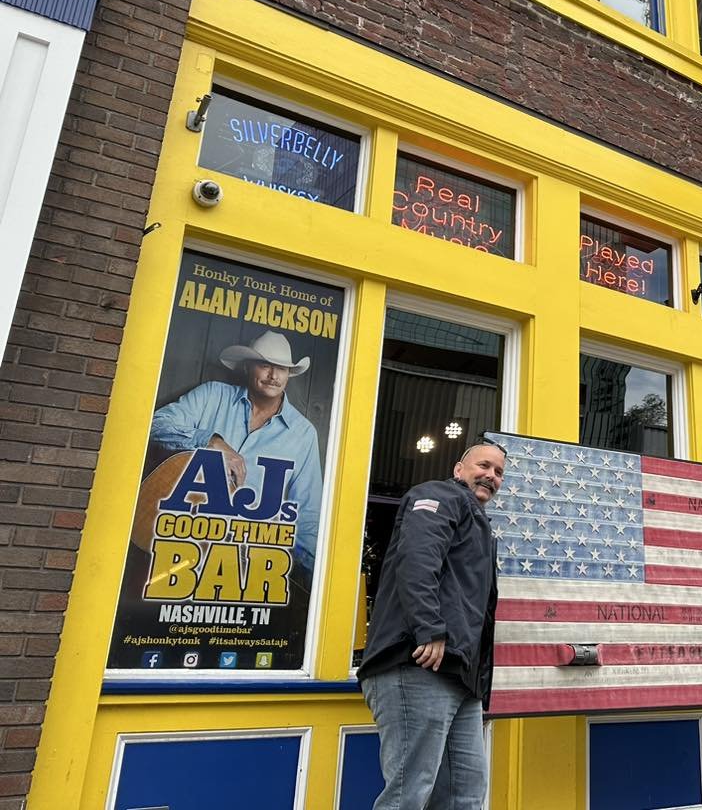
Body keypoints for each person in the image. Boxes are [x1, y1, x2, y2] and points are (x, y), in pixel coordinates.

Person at [359, 441, 505, 810]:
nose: (491, 475)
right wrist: (430, 629)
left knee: (465, 795)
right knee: (408, 795)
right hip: (418, 664)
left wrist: (479, 683)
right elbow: (417, 558)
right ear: (459, 469)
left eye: (499, 472)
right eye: (483, 465)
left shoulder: (480, 527)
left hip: (460, 678)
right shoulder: (438, 496)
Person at [147, 330, 323, 569]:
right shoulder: (212, 396)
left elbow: (307, 514)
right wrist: (213, 442)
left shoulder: (303, 434)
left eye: (281, 368)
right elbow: (157, 424)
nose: (273, 376)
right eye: (264, 365)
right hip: (180, 542)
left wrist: (310, 581)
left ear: (289, 374)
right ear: (247, 367)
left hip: (245, 563)